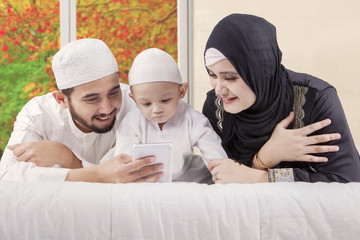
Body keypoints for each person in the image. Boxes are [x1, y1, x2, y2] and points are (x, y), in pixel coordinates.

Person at [202, 14, 360, 183]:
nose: (219, 89)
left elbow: (348, 183)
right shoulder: (216, 107)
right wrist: (264, 158)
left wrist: (261, 176)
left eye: (230, 78)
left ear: (261, 71)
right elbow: (225, 177)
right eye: (212, 75)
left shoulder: (315, 99)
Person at [0, 38, 163, 183]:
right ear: (62, 99)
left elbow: (137, 174)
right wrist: (100, 175)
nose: (107, 108)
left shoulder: (137, 106)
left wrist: (67, 159)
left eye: (114, 92)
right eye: (92, 99)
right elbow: (6, 177)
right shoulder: (37, 114)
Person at [104, 48, 227, 181]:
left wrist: (222, 176)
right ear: (134, 99)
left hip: (182, 174)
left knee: (205, 173)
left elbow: (215, 156)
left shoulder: (194, 120)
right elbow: (123, 161)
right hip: (141, 178)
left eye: (165, 100)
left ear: (181, 91)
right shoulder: (131, 123)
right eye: (146, 104)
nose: (157, 109)